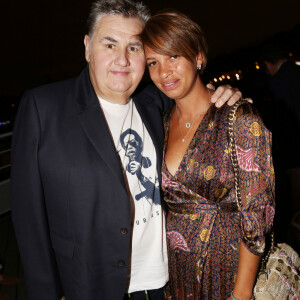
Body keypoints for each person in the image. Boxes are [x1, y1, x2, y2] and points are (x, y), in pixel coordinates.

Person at [10, 1, 245, 299]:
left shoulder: (154, 104)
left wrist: (223, 94)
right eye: (110, 45)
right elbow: (29, 221)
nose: (122, 59)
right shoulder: (43, 109)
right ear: (87, 47)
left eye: (134, 48)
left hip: (163, 284)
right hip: (86, 286)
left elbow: (193, 98)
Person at [141, 10, 275, 300]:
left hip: (228, 273)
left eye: (173, 56)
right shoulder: (160, 125)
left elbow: (257, 215)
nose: (164, 72)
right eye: (153, 62)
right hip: (176, 274)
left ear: (198, 56)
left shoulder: (239, 118)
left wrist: (240, 294)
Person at [261, 42, 300, 248]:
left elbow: (282, 118)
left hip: (292, 140)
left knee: (295, 181)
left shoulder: (278, 82)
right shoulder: (297, 70)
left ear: (269, 63)